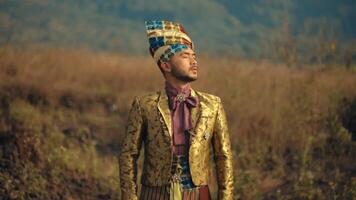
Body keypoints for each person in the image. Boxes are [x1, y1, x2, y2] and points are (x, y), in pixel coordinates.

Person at [119, 20, 234, 200]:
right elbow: (128, 154)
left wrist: (225, 197)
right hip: (155, 193)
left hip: (198, 193)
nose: (193, 61)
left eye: (194, 56)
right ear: (166, 65)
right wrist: (130, 197)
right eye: (185, 56)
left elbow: (223, 156)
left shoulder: (212, 105)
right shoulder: (144, 105)